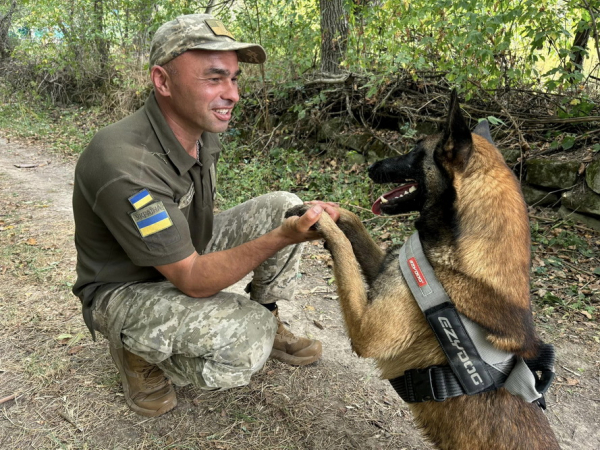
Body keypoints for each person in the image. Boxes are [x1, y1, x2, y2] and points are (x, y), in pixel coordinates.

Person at [72, 13, 339, 418]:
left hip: (181, 250)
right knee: (250, 337)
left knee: (285, 205)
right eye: (214, 78)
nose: (231, 93)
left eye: (234, 79)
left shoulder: (200, 129)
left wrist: (289, 225)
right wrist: (283, 237)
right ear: (162, 81)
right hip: (125, 287)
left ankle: (268, 311)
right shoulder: (124, 163)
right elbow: (194, 280)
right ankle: (137, 349)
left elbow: (197, 223)